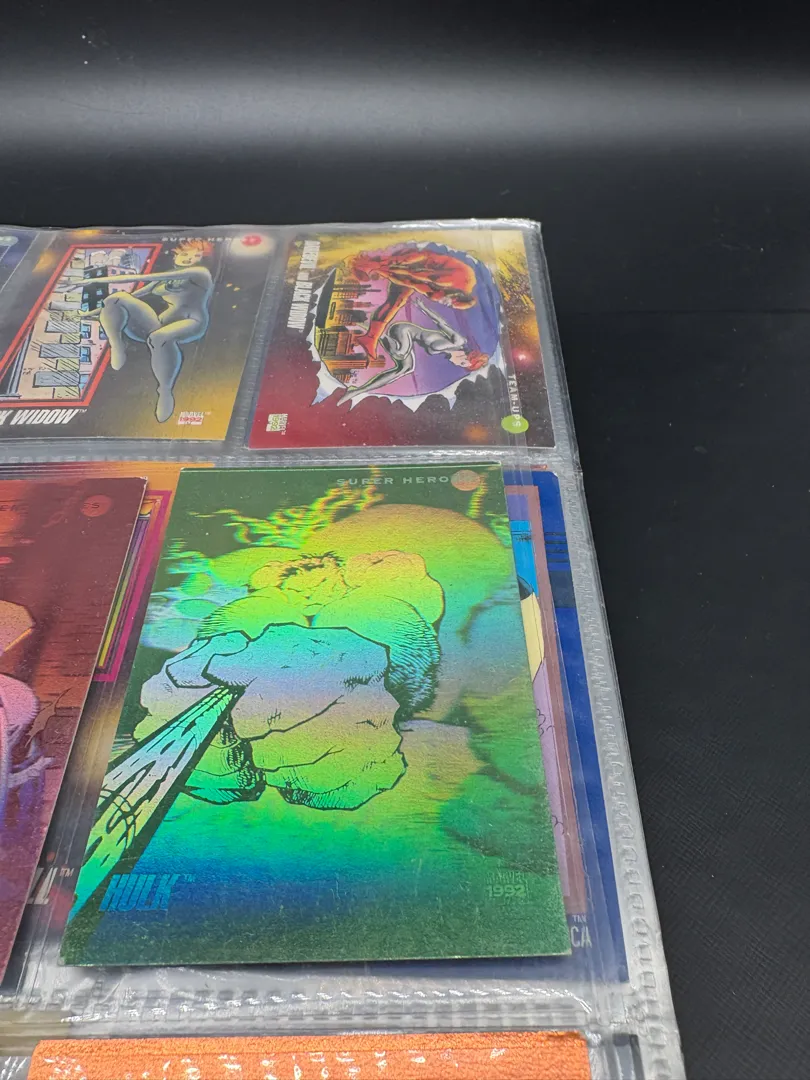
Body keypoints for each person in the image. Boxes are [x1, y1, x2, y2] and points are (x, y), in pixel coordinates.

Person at [67, 239, 214, 423]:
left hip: (191, 322)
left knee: (158, 338)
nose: (189, 259)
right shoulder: (168, 277)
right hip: (161, 322)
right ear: (176, 255)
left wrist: (93, 280)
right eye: (185, 254)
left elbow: (141, 278)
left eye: (196, 256)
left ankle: (165, 391)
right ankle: (117, 345)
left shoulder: (200, 273)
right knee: (116, 298)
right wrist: (89, 314)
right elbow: (134, 296)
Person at [346, 244, 479, 362]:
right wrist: (380, 267)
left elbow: (412, 282)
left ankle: (371, 338)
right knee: (399, 284)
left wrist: (381, 271)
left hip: (418, 270)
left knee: (397, 301)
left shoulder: (441, 293)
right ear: (455, 295)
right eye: (450, 304)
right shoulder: (455, 279)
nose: (446, 305)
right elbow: (413, 274)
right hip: (413, 258)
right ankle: (366, 263)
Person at [341, 297, 488, 402]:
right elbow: (440, 322)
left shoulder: (447, 351)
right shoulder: (458, 341)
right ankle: (371, 327)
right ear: (466, 356)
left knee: (405, 368)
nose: (456, 364)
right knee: (400, 354)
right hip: (403, 330)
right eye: (462, 363)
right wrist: (423, 308)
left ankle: (357, 390)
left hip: (406, 340)